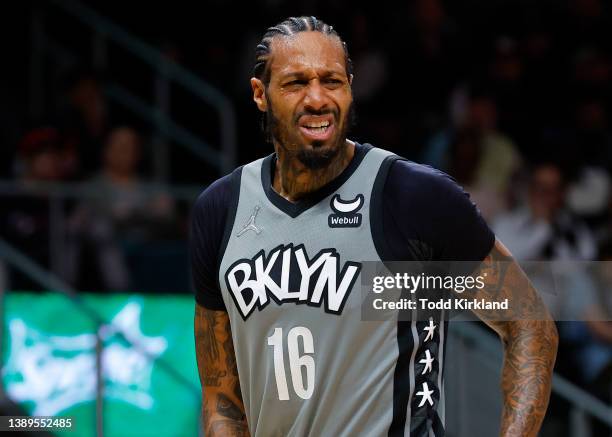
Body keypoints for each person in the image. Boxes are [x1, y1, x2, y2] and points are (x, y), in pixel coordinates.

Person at [190, 16, 558, 437]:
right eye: (295, 83)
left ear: (350, 86)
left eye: (332, 81)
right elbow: (222, 397)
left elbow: (528, 323)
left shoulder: (415, 197)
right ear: (261, 94)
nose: (317, 99)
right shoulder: (220, 210)